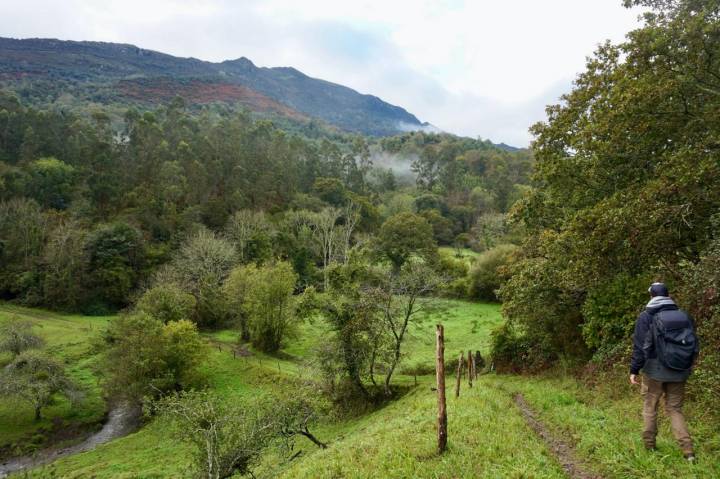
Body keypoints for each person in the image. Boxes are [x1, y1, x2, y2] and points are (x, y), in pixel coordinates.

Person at [629, 282, 699, 461]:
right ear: (668, 295)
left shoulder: (646, 316)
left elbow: (639, 347)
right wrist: (688, 365)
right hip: (679, 370)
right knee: (675, 409)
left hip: (653, 371)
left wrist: (634, 369)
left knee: (650, 407)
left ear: (651, 296)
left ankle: (649, 446)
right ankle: (688, 451)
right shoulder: (683, 316)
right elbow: (694, 345)